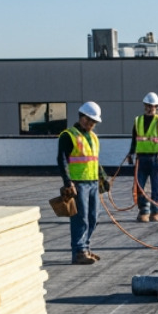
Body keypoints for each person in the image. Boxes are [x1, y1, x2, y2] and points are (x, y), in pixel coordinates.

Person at [57, 102, 109, 265]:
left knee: (93, 217)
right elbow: (62, 160)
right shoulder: (68, 135)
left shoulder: (93, 137)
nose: (92, 124)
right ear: (82, 117)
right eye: (89, 120)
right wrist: (68, 182)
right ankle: (79, 251)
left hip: (93, 182)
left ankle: (85, 247)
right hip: (78, 184)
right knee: (81, 218)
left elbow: (94, 160)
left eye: (94, 122)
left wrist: (102, 177)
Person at [127, 92, 158, 222]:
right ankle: (144, 211)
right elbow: (134, 140)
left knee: (156, 187)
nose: (149, 108)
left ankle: (155, 212)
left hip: (155, 159)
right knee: (139, 187)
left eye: (152, 106)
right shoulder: (138, 120)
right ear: (144, 105)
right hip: (141, 159)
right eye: (147, 105)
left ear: (156, 107)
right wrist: (131, 153)